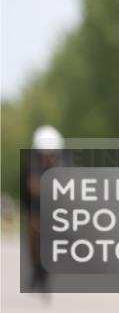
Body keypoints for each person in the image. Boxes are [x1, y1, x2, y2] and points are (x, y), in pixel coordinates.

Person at [23, 125, 64, 294]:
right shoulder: (31, 164)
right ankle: (35, 272)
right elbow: (31, 187)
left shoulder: (61, 165)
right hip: (34, 206)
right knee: (33, 237)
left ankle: (45, 272)